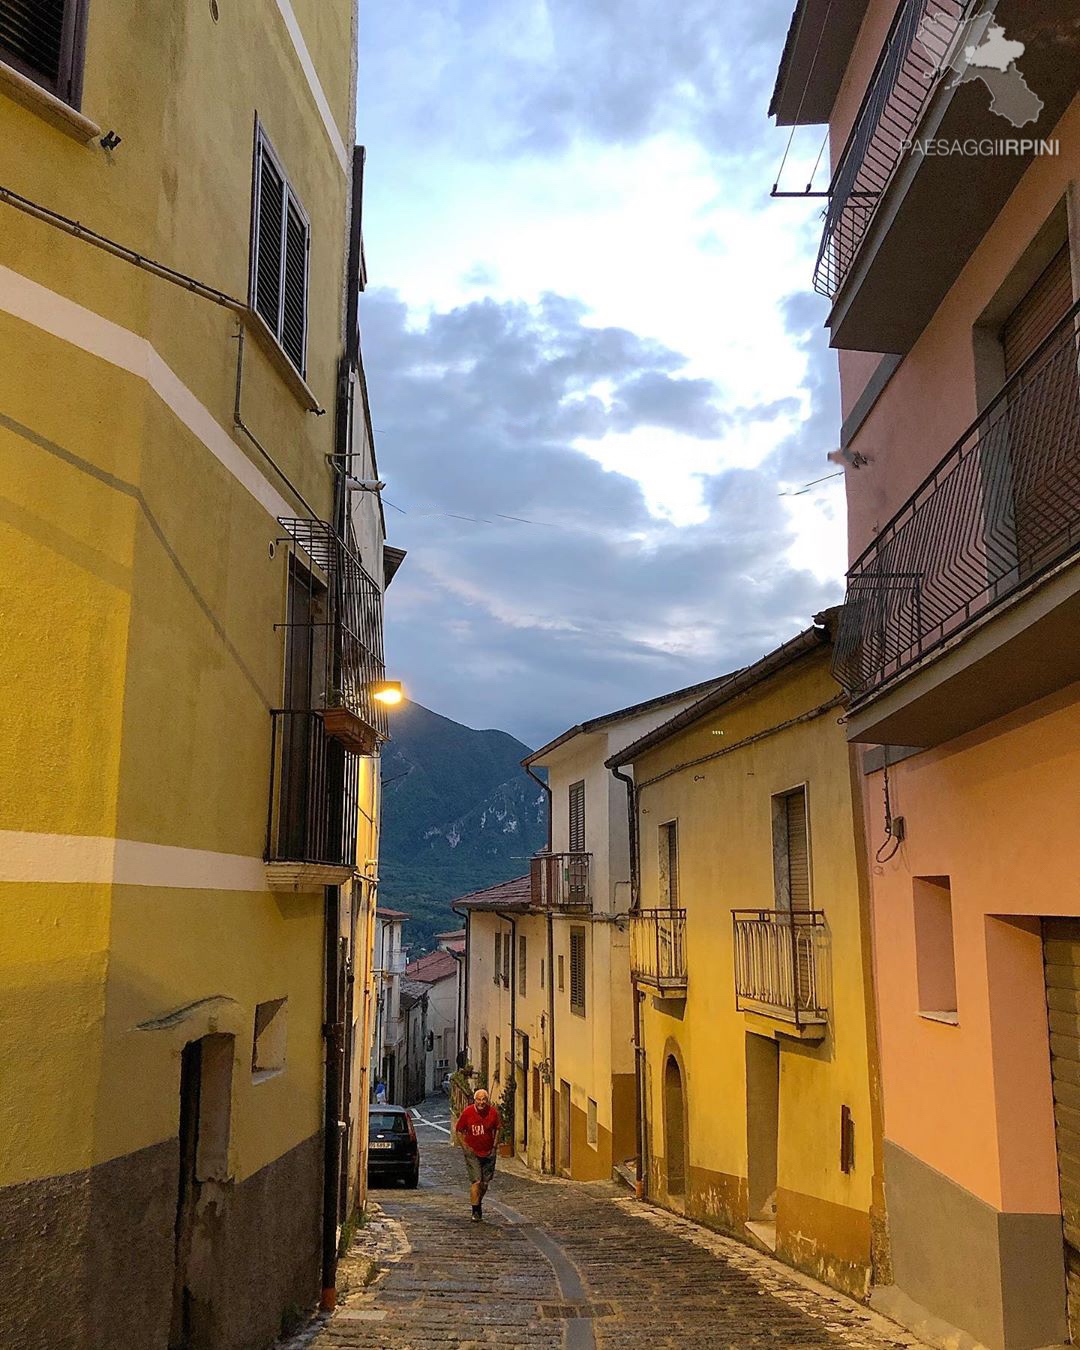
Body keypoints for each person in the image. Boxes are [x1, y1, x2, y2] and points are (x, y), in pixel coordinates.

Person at [454, 1087, 501, 1222]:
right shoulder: (468, 1112)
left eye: (484, 1099)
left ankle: (478, 1201)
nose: (481, 1102)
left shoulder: (492, 1113)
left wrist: (494, 1146)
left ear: (487, 1100)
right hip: (472, 1152)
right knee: (477, 1181)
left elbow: (497, 1129)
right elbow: (459, 1130)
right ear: (475, 1100)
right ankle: (476, 1211)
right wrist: (465, 1147)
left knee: (485, 1184)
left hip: (488, 1152)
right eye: (479, 1100)